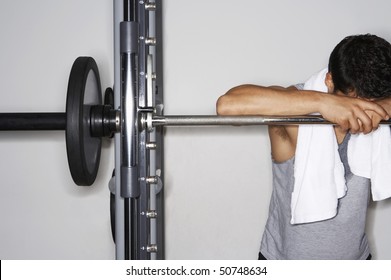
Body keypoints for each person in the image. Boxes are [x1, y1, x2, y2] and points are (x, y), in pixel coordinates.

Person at [216, 34, 391, 260]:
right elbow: (227, 105)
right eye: (350, 103)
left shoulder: (381, 112)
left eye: (368, 106)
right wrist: (322, 102)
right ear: (329, 81)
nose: (358, 116)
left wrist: (384, 107)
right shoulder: (293, 109)